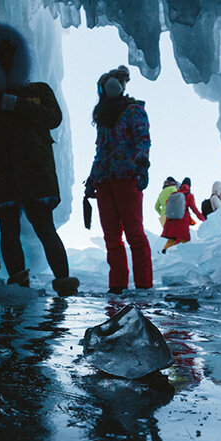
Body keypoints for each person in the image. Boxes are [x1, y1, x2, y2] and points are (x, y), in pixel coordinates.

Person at [0, 23, 79, 297]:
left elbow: (53, 119)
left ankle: (62, 281)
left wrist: (19, 104)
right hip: (8, 175)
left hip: (32, 174)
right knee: (12, 230)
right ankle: (22, 284)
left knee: (42, 228)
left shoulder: (39, 92)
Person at [85, 65, 152, 294]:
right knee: (112, 236)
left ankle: (143, 284)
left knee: (133, 233)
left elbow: (143, 139)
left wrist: (142, 165)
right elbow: (100, 151)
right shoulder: (104, 119)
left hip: (126, 177)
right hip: (105, 180)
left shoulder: (133, 111)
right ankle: (117, 285)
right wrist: (92, 179)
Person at [161, 177, 205, 253]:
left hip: (171, 221)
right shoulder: (189, 195)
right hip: (182, 222)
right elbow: (194, 209)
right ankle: (186, 258)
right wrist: (203, 219)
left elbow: (166, 204)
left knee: (173, 239)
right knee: (185, 242)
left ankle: (165, 251)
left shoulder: (174, 193)